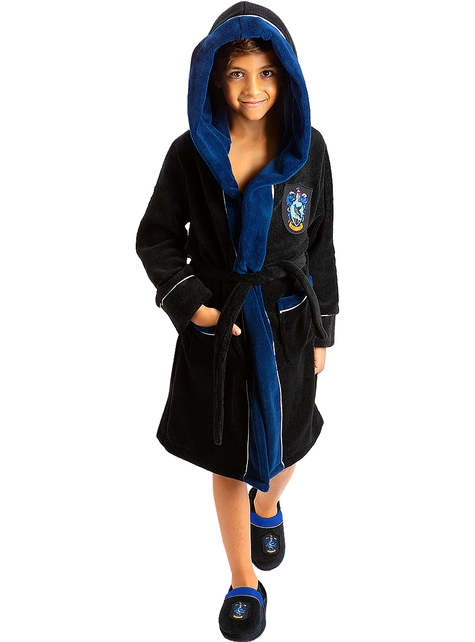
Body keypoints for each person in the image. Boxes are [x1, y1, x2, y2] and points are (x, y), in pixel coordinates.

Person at [136, 3, 339, 639]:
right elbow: (156, 237)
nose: (253, 88)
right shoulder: (190, 154)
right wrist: (192, 303)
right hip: (220, 326)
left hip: (289, 321)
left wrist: (324, 325)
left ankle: (268, 504)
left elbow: (321, 244)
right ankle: (243, 579)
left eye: (267, 72)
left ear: (289, 77)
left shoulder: (308, 150)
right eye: (236, 73)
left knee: (290, 440)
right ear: (212, 77)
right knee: (227, 458)